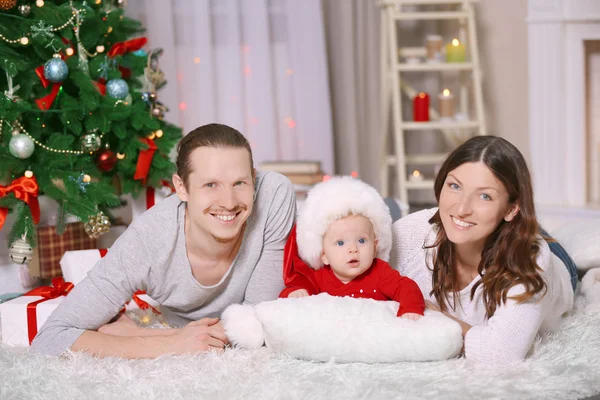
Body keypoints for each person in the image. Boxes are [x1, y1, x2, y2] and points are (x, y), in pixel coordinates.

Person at [31, 123, 296, 358]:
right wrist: (168, 345)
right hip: (178, 327)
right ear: (181, 187)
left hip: (209, 330)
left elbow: (261, 312)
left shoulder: (272, 194)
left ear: (254, 178)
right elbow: (50, 339)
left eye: (240, 183)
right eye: (210, 185)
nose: (229, 202)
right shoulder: (147, 239)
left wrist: (138, 335)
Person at [391, 135, 575, 364]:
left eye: (484, 196)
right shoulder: (411, 232)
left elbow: (499, 354)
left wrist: (438, 317)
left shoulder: (530, 262)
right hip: (493, 228)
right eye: (455, 186)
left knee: (550, 243)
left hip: (553, 262)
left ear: (511, 208)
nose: (461, 208)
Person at [280, 176, 425, 319]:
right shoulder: (318, 279)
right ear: (324, 255)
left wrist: (410, 309)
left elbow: (406, 287)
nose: (353, 249)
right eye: (341, 243)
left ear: (375, 247)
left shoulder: (380, 273)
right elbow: (291, 295)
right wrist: (294, 293)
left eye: (361, 240)